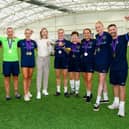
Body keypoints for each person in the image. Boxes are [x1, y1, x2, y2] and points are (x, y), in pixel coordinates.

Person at [107, 24, 129, 117]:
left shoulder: (123, 38)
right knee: (114, 85)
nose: (112, 31)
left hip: (122, 67)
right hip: (113, 67)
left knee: (122, 87)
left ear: (116, 29)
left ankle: (122, 108)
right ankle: (116, 103)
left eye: (113, 29)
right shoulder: (109, 41)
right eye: (110, 30)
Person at [93, 21, 112, 111]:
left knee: (101, 80)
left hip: (105, 60)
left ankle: (97, 102)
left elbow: (112, 47)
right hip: (99, 60)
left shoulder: (108, 35)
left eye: (99, 27)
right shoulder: (96, 36)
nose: (98, 29)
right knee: (102, 79)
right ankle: (106, 97)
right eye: (96, 27)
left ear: (103, 27)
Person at [0, 27, 21, 100]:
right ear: (6, 32)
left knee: (16, 78)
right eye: (8, 31)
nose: (10, 33)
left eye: (11, 31)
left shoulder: (17, 39)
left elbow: (25, 40)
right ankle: (7, 94)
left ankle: (16, 92)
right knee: (6, 78)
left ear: (13, 32)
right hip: (6, 62)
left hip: (15, 61)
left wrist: (17, 37)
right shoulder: (2, 39)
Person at [18, 28, 37, 101]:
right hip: (24, 62)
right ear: (24, 34)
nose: (28, 34)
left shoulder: (34, 42)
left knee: (29, 77)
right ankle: (25, 94)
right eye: (26, 33)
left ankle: (28, 91)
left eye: (29, 33)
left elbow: (38, 49)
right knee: (25, 77)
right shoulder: (20, 42)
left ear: (30, 34)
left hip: (31, 61)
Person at [81, 28, 96, 102]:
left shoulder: (94, 41)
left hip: (91, 63)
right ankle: (88, 92)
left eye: (88, 33)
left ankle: (88, 95)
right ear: (83, 34)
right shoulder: (82, 41)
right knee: (85, 79)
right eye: (85, 33)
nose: (86, 34)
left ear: (90, 34)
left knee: (89, 79)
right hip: (83, 63)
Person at [54, 28, 70, 97]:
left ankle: (66, 91)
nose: (60, 34)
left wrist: (63, 46)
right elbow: (55, 52)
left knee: (65, 76)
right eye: (59, 33)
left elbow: (68, 51)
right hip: (57, 61)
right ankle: (58, 91)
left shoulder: (67, 42)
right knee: (57, 76)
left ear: (63, 33)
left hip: (65, 61)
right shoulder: (56, 42)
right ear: (58, 34)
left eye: (61, 33)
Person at [36, 28, 52, 99]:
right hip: (40, 58)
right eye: (43, 32)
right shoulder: (38, 41)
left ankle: (44, 90)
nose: (44, 33)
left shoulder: (49, 40)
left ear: (47, 33)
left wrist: (49, 46)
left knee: (46, 74)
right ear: (41, 33)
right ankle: (38, 91)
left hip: (47, 58)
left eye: (46, 32)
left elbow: (51, 52)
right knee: (39, 75)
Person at [68, 31, 81, 96]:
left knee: (77, 77)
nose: (74, 38)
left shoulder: (80, 45)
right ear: (71, 37)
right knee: (71, 77)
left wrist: (80, 42)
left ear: (78, 37)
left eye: (75, 37)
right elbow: (66, 52)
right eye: (73, 37)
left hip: (78, 63)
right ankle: (72, 90)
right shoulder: (69, 45)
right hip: (70, 62)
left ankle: (77, 91)